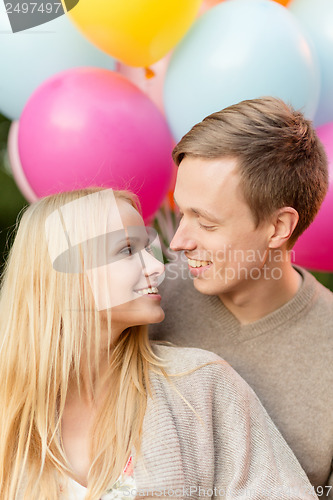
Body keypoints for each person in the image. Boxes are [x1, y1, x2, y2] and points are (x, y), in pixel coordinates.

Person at [0, 187, 319, 500]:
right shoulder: (9, 409)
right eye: (126, 250)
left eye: (147, 250)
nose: (156, 268)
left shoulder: (200, 384)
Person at [150, 97, 333, 497]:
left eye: (207, 223)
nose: (179, 242)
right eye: (182, 213)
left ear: (278, 227)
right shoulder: (146, 310)